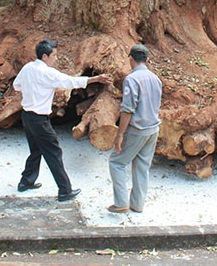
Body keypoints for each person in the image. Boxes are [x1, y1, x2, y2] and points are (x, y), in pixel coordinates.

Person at [13, 39, 112, 202]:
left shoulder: (27, 68)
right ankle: (65, 190)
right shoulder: (48, 73)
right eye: (54, 55)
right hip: (39, 119)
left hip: (27, 116)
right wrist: (96, 79)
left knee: (36, 150)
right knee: (54, 152)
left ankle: (26, 181)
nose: (56, 58)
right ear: (45, 56)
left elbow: (17, 85)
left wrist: (32, 91)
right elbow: (70, 82)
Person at [107, 43, 163, 214]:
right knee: (142, 166)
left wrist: (120, 134)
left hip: (137, 129)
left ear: (130, 58)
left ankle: (121, 202)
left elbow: (128, 109)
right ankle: (137, 204)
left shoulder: (131, 80)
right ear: (147, 60)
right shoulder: (156, 79)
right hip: (153, 128)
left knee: (116, 161)